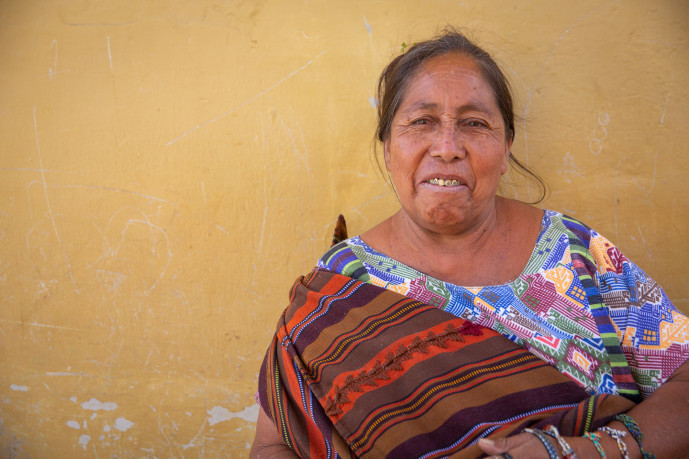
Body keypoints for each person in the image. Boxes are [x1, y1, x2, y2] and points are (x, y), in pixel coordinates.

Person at [250, 28, 689, 458]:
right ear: (387, 147)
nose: (447, 147)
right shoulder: (339, 287)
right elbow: (275, 446)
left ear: (505, 148)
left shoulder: (576, 253)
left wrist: (584, 451)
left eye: (474, 124)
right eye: (421, 122)